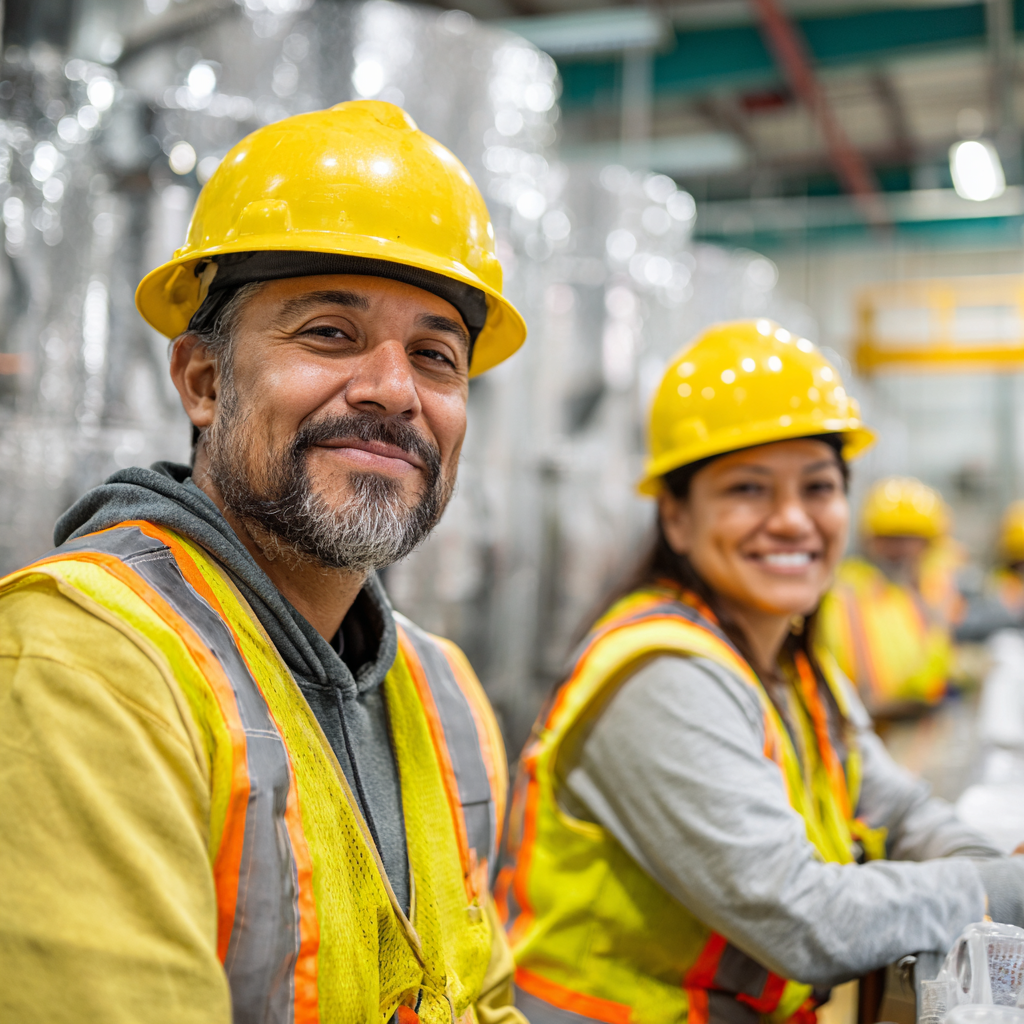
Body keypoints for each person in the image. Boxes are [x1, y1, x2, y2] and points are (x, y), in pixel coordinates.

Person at [0, 101, 528, 1024]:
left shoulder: (445, 694)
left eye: (436, 357)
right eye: (329, 332)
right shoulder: (82, 664)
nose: (394, 391)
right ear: (204, 382)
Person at [505, 320, 1024, 1024]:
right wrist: (1000, 886)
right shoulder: (660, 676)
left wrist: (992, 882)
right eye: (749, 489)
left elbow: (900, 811)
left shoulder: (793, 667)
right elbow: (805, 919)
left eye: (818, 487)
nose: (791, 520)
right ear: (678, 519)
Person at [818, 477, 957, 719]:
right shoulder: (845, 592)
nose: (901, 550)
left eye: (911, 539)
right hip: (860, 724)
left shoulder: (932, 591)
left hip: (913, 722)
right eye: (890, 538)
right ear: (869, 540)